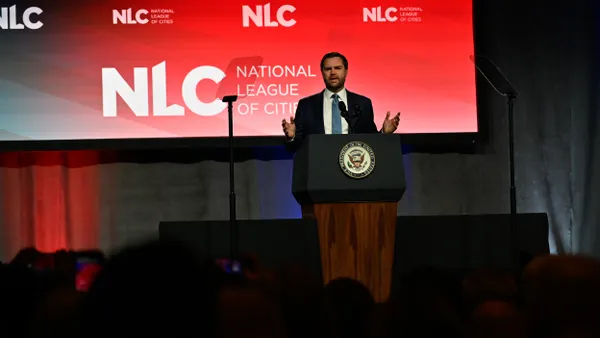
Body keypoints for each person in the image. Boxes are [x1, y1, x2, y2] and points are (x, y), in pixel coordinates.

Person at [282, 52, 400, 152]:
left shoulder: (363, 103)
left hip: (353, 169)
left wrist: (384, 133)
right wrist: (291, 137)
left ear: (346, 71)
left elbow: (371, 142)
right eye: (328, 69)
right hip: (319, 168)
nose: (333, 72)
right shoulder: (306, 105)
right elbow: (295, 148)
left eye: (338, 68)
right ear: (322, 72)